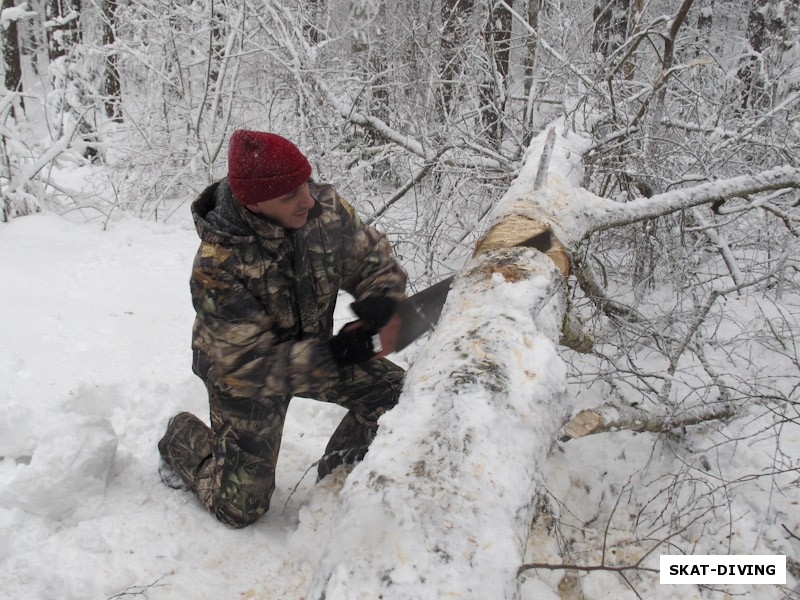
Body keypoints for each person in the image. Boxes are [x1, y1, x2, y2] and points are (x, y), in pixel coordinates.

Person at [158, 130, 407, 529]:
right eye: (289, 195)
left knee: (402, 400)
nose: (307, 198)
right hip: (243, 377)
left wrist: (381, 297)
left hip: (314, 350)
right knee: (240, 510)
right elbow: (249, 366)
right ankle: (181, 436)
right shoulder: (217, 264)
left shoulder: (322, 207)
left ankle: (336, 478)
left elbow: (372, 258)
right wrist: (339, 353)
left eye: (304, 183)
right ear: (253, 203)